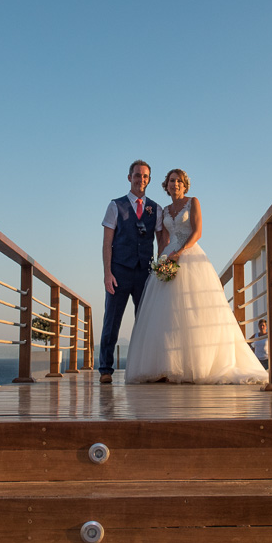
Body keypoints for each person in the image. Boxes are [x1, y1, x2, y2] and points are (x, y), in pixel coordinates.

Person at [125, 169, 268, 385]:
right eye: (171, 181)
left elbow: (197, 232)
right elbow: (162, 240)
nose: (175, 184)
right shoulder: (163, 210)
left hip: (189, 255)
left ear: (185, 184)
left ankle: (196, 366)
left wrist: (179, 254)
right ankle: (166, 366)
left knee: (193, 311)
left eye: (179, 181)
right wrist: (161, 262)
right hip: (167, 257)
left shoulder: (193, 202)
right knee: (166, 314)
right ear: (167, 185)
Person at [98, 160, 161, 384]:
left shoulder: (156, 208)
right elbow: (107, 243)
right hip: (119, 271)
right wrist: (107, 274)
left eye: (145, 177)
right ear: (129, 177)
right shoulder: (116, 205)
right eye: (137, 175)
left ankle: (146, 369)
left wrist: (160, 271)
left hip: (145, 273)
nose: (140, 180)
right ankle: (105, 368)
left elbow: (162, 242)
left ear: (149, 180)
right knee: (111, 321)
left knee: (145, 322)